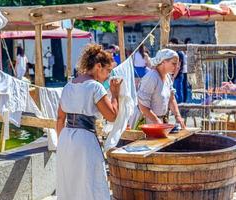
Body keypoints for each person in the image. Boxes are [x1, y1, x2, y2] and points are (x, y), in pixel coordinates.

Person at [56, 44, 122, 200]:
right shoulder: (95, 87)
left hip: (65, 139)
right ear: (98, 66)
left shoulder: (68, 86)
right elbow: (112, 116)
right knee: (89, 182)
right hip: (84, 139)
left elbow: (60, 118)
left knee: (70, 183)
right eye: (108, 71)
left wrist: (63, 142)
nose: (108, 76)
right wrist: (115, 95)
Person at [137, 49, 186, 128]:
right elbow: (142, 105)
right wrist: (156, 121)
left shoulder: (167, 77)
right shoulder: (151, 78)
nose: (177, 67)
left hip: (160, 123)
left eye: (177, 64)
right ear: (163, 62)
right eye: (174, 64)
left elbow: (171, 98)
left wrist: (178, 116)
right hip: (148, 124)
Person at [170, 38, 185, 103]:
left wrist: (173, 77)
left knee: (178, 91)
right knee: (174, 91)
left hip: (178, 75)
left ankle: (180, 105)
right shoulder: (174, 53)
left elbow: (178, 66)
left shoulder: (179, 53)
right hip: (173, 75)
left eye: (171, 43)